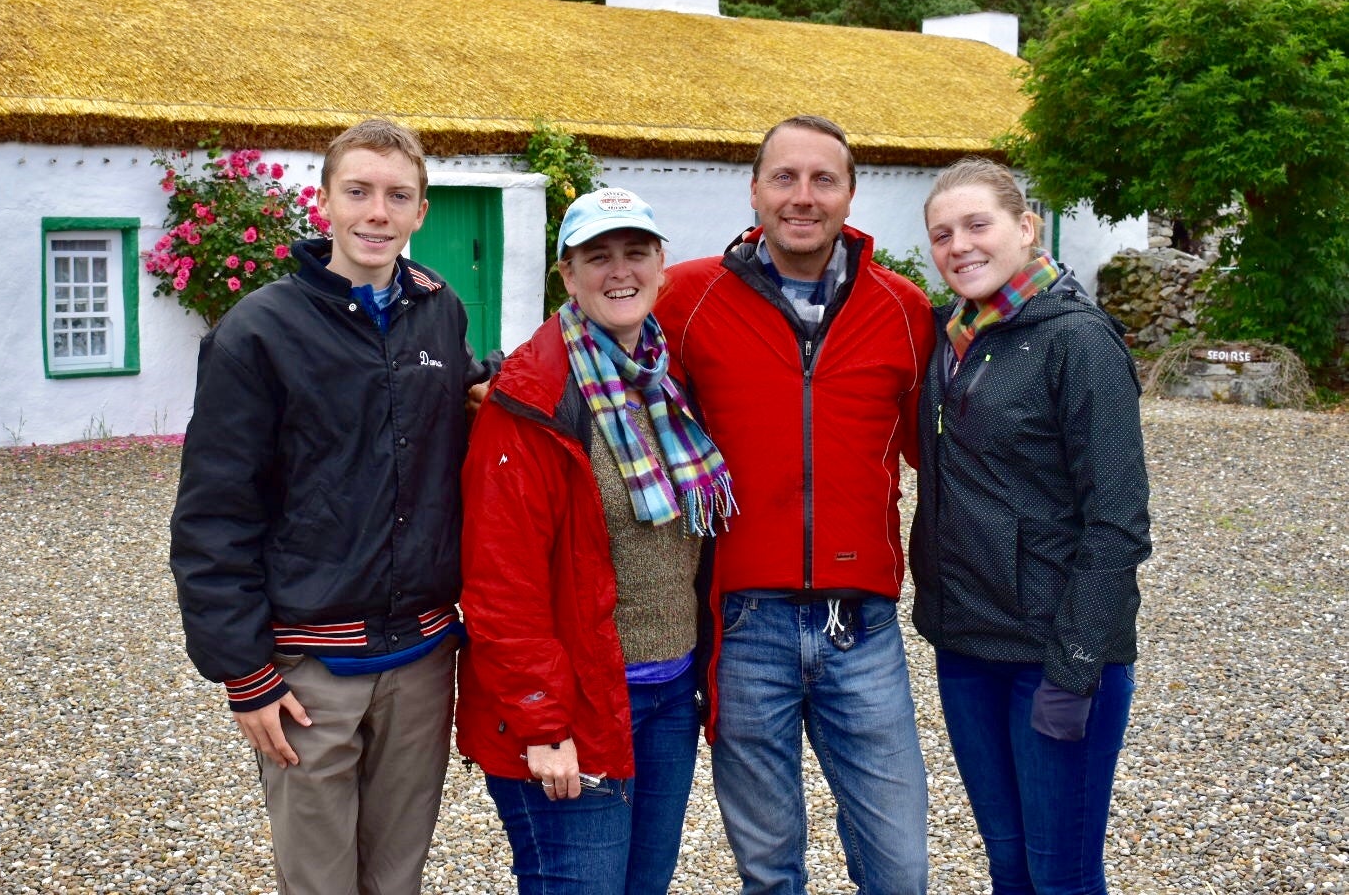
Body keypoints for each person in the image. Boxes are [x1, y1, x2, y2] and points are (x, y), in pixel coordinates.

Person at [168, 118, 491, 895]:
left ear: (420, 211)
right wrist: (243, 672)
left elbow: (462, 396)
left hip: (420, 660)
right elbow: (214, 515)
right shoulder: (258, 333)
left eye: (397, 195)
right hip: (311, 670)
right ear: (325, 202)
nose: (377, 212)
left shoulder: (438, 310)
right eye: (359, 191)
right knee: (319, 884)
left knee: (396, 878)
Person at [655, 114, 935, 895]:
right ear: (754, 189)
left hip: (863, 627)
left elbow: (944, 452)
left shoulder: (903, 309)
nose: (802, 197)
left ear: (850, 192)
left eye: (822, 179)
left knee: (900, 868)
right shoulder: (687, 298)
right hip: (746, 625)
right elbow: (591, 359)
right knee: (770, 870)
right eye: (784, 178)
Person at [456, 187, 737, 895]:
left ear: (661, 265)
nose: (620, 271)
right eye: (598, 256)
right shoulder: (530, 400)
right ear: (567, 274)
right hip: (575, 710)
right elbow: (500, 583)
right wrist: (543, 726)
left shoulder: (667, 381)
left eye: (635, 252)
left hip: (667, 695)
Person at [910, 157, 1151, 894]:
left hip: (1054, 659)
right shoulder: (951, 335)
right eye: (942, 234)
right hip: (968, 652)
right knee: (1009, 867)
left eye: (977, 225)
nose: (960, 246)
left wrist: (1076, 666)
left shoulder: (1077, 341)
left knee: (1062, 876)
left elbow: (1118, 521)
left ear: (1025, 226)